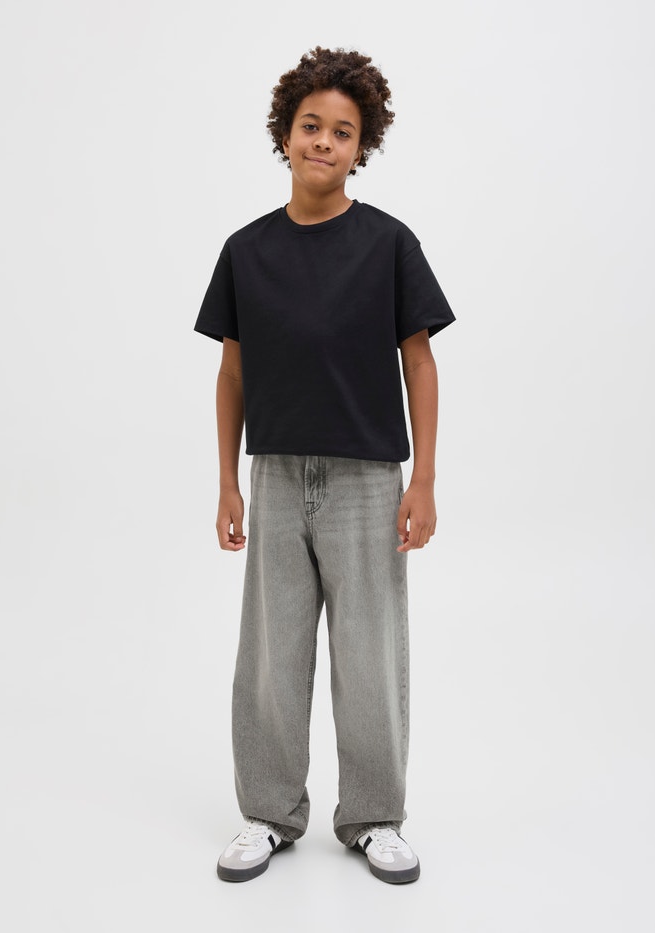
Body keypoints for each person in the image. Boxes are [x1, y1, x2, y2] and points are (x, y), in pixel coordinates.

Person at [194, 46, 456, 884]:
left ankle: (374, 815)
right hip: (274, 474)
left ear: (361, 145)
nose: (324, 142)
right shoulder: (246, 250)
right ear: (285, 133)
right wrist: (228, 481)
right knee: (271, 654)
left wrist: (423, 479)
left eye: (343, 132)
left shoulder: (388, 244)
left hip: (368, 479)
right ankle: (269, 811)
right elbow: (232, 372)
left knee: (370, 652)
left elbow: (420, 362)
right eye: (311, 125)